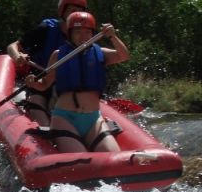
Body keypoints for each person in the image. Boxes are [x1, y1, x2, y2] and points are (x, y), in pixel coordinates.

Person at [25, 11, 129, 153]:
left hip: (93, 119)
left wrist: (113, 36)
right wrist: (33, 82)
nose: (83, 36)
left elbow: (123, 56)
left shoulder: (101, 53)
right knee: (81, 160)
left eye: (87, 32)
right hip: (65, 118)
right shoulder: (58, 55)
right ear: (70, 34)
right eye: (78, 32)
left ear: (92, 34)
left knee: (114, 158)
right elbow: (44, 85)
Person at [6, 0, 88, 126]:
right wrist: (18, 56)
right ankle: (45, 131)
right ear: (63, 12)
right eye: (73, 11)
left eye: (80, 12)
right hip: (39, 81)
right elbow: (12, 46)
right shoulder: (46, 29)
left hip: (66, 87)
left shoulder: (84, 35)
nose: (76, 15)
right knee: (38, 103)